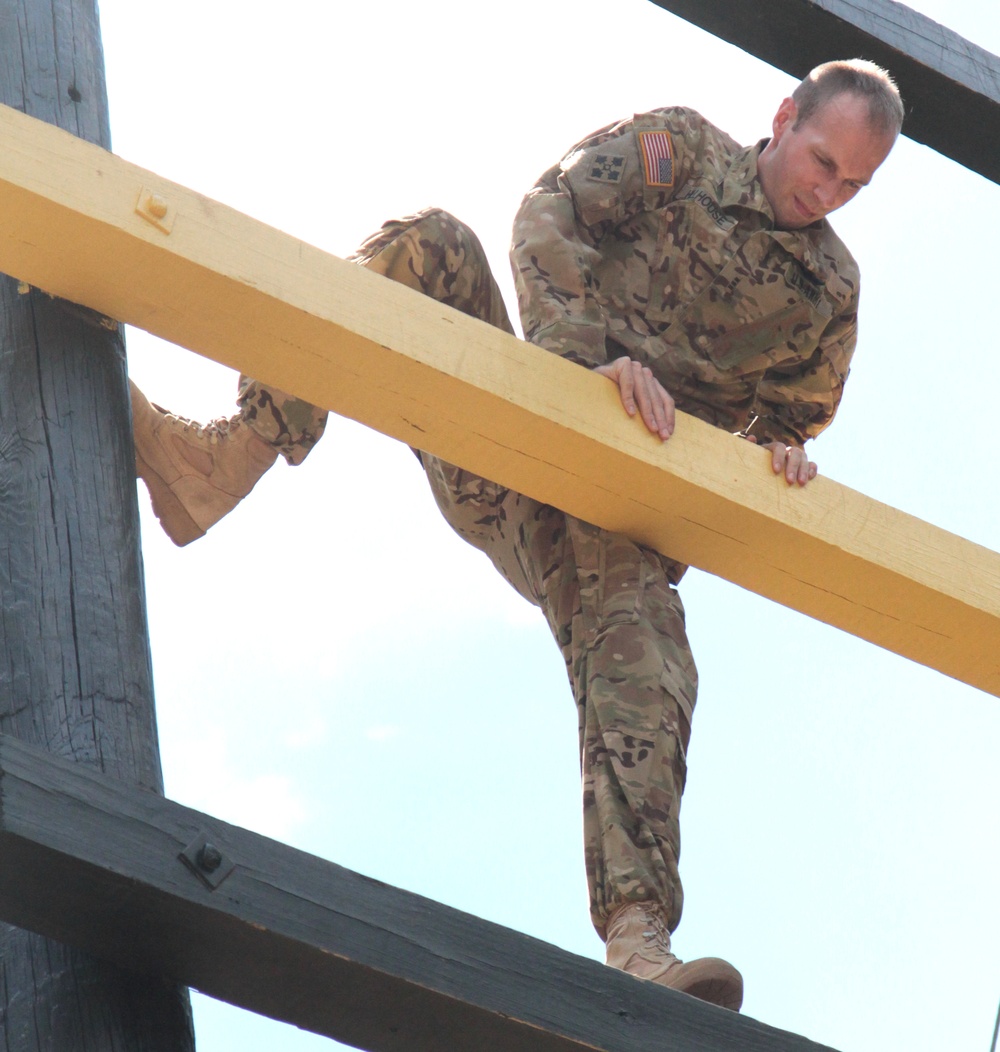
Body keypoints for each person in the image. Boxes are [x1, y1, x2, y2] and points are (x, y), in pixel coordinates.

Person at [131, 59, 903, 1011]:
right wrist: (588, 363)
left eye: (852, 186)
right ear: (783, 118)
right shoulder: (684, 152)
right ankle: (225, 463)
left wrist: (779, 464)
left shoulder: (829, 288)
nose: (824, 193)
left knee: (650, 654)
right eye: (821, 162)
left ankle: (638, 939)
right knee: (429, 246)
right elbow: (548, 210)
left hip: (617, 520)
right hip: (515, 432)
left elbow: (790, 422)